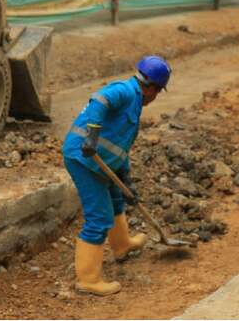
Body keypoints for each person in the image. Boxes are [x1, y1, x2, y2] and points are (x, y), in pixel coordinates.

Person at [62, 55, 172, 296]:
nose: (156, 97)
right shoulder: (125, 91)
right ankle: (88, 280)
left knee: (116, 200)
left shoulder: (135, 101)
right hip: (84, 159)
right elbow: (100, 100)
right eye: (158, 92)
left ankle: (122, 245)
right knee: (98, 217)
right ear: (152, 88)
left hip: (103, 161)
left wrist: (127, 181)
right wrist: (91, 135)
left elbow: (118, 147)